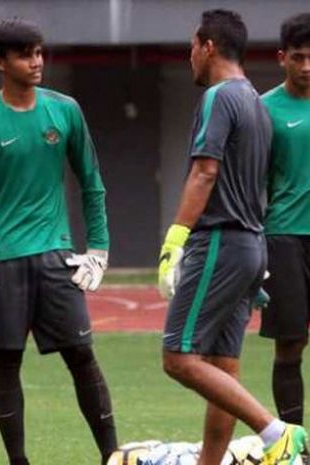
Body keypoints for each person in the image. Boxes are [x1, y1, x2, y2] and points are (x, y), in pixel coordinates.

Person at [0, 18, 117, 465]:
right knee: (6, 362)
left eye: (40, 52)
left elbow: (92, 182)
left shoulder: (65, 111)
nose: (37, 62)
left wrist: (98, 250)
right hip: (2, 263)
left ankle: (112, 456)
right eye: (25, 55)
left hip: (58, 258)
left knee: (82, 356)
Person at [157, 9, 307, 465]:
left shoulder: (221, 97)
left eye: (190, 50)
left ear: (206, 45)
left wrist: (175, 240)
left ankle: (278, 433)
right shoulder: (257, 105)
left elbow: (206, 171)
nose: (190, 60)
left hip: (219, 240)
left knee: (179, 357)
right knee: (224, 367)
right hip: (251, 244)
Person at [260, 13, 310, 430]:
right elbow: (249, 180)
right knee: (290, 345)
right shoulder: (264, 109)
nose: (307, 66)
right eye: (299, 57)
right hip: (284, 237)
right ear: (282, 58)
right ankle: (293, 442)